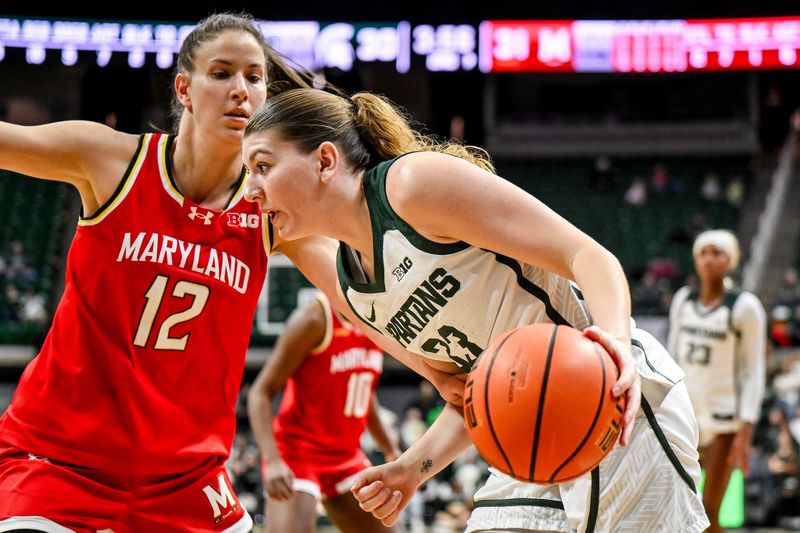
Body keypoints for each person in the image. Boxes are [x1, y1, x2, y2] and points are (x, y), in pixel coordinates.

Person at [241, 87, 710, 532]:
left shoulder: (411, 187)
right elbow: (472, 395)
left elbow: (586, 256)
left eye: (262, 167)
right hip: (527, 434)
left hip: (609, 404)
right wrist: (411, 468)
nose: (250, 191)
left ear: (325, 160)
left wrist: (616, 345)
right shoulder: (356, 288)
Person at [0, 12, 317, 532]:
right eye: (222, 73)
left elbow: (357, 296)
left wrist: (440, 370)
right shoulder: (110, 161)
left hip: (185, 478)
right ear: (184, 89)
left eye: (254, 77)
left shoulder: (273, 210)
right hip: (59, 461)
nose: (240, 89)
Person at [247, 291, 401, 532]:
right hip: (298, 452)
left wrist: (392, 450)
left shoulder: (377, 320)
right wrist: (272, 460)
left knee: (388, 527)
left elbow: (362, 387)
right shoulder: (315, 318)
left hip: (345, 455)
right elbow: (260, 393)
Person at [668, 229, 767, 533]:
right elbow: (670, 359)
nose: (709, 259)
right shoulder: (683, 300)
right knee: (676, 507)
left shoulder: (745, 306)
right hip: (685, 417)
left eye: (717, 252)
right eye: (703, 253)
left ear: (731, 260)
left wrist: (746, 428)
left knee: (709, 512)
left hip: (725, 422)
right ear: (695, 259)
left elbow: (754, 369)